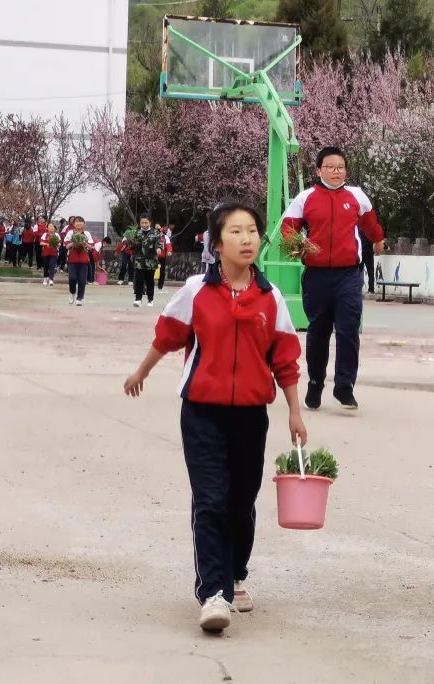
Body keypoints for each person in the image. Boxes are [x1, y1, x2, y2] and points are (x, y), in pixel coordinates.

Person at [123, 201, 307, 633]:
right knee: (209, 500)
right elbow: (168, 336)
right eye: (236, 232)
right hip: (202, 413)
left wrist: (295, 411)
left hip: (250, 415)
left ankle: (235, 573)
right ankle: (212, 594)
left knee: (241, 503)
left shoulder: (271, 297)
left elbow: (285, 358)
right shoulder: (196, 292)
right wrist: (141, 371)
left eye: (252, 232)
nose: (246, 239)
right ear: (216, 243)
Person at [281, 146, 385, 411]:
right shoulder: (305, 199)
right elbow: (288, 228)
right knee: (318, 331)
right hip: (316, 276)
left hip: (349, 274)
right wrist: (296, 245)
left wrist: (378, 240)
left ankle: (344, 385)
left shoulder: (357, 196)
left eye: (340, 167)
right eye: (330, 167)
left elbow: (371, 225)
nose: (336, 171)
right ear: (318, 170)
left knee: (349, 327)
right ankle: (315, 382)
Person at [131, 214, 163, 308]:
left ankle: (150, 299)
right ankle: (138, 299)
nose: (144, 224)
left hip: (151, 261)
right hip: (139, 261)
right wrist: (132, 243)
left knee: (150, 281)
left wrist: (159, 249)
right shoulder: (137, 232)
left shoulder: (155, 232)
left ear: (150, 222)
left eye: (146, 222)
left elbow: (159, 243)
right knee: (139, 280)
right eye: (142, 222)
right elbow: (132, 246)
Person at [64, 216, 94, 306]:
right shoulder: (70, 233)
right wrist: (74, 242)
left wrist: (83, 242)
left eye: (81, 221)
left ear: (84, 223)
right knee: (72, 278)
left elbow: (91, 247)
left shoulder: (87, 233)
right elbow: (66, 246)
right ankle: (72, 293)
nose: (79, 223)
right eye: (77, 221)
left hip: (84, 260)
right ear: (74, 224)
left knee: (82, 280)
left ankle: (79, 298)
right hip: (72, 260)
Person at [40, 222, 60, 286]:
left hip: (54, 253)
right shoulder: (45, 234)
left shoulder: (56, 235)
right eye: (50, 226)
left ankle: (51, 279)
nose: (51, 227)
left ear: (54, 228)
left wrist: (55, 244)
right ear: (47, 228)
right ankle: (45, 278)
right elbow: (41, 243)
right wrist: (46, 244)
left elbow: (59, 243)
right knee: (46, 266)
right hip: (46, 253)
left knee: (52, 266)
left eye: (52, 226)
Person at [156, 223, 174, 289]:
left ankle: (160, 285)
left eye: (159, 229)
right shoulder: (152, 236)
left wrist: (169, 251)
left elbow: (168, 245)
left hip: (161, 257)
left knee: (161, 271)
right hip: (152, 257)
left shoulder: (165, 237)